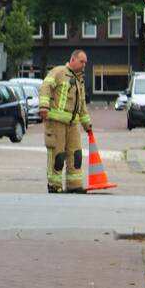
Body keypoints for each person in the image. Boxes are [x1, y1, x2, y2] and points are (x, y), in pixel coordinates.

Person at [39, 50, 92, 193]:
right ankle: (54, 185)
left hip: (72, 124)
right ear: (73, 60)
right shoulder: (59, 72)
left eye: (85, 63)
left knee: (75, 155)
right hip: (56, 122)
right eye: (82, 62)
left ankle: (74, 184)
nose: (84, 65)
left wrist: (87, 125)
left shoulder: (79, 79)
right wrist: (44, 106)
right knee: (58, 154)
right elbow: (45, 87)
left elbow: (82, 104)